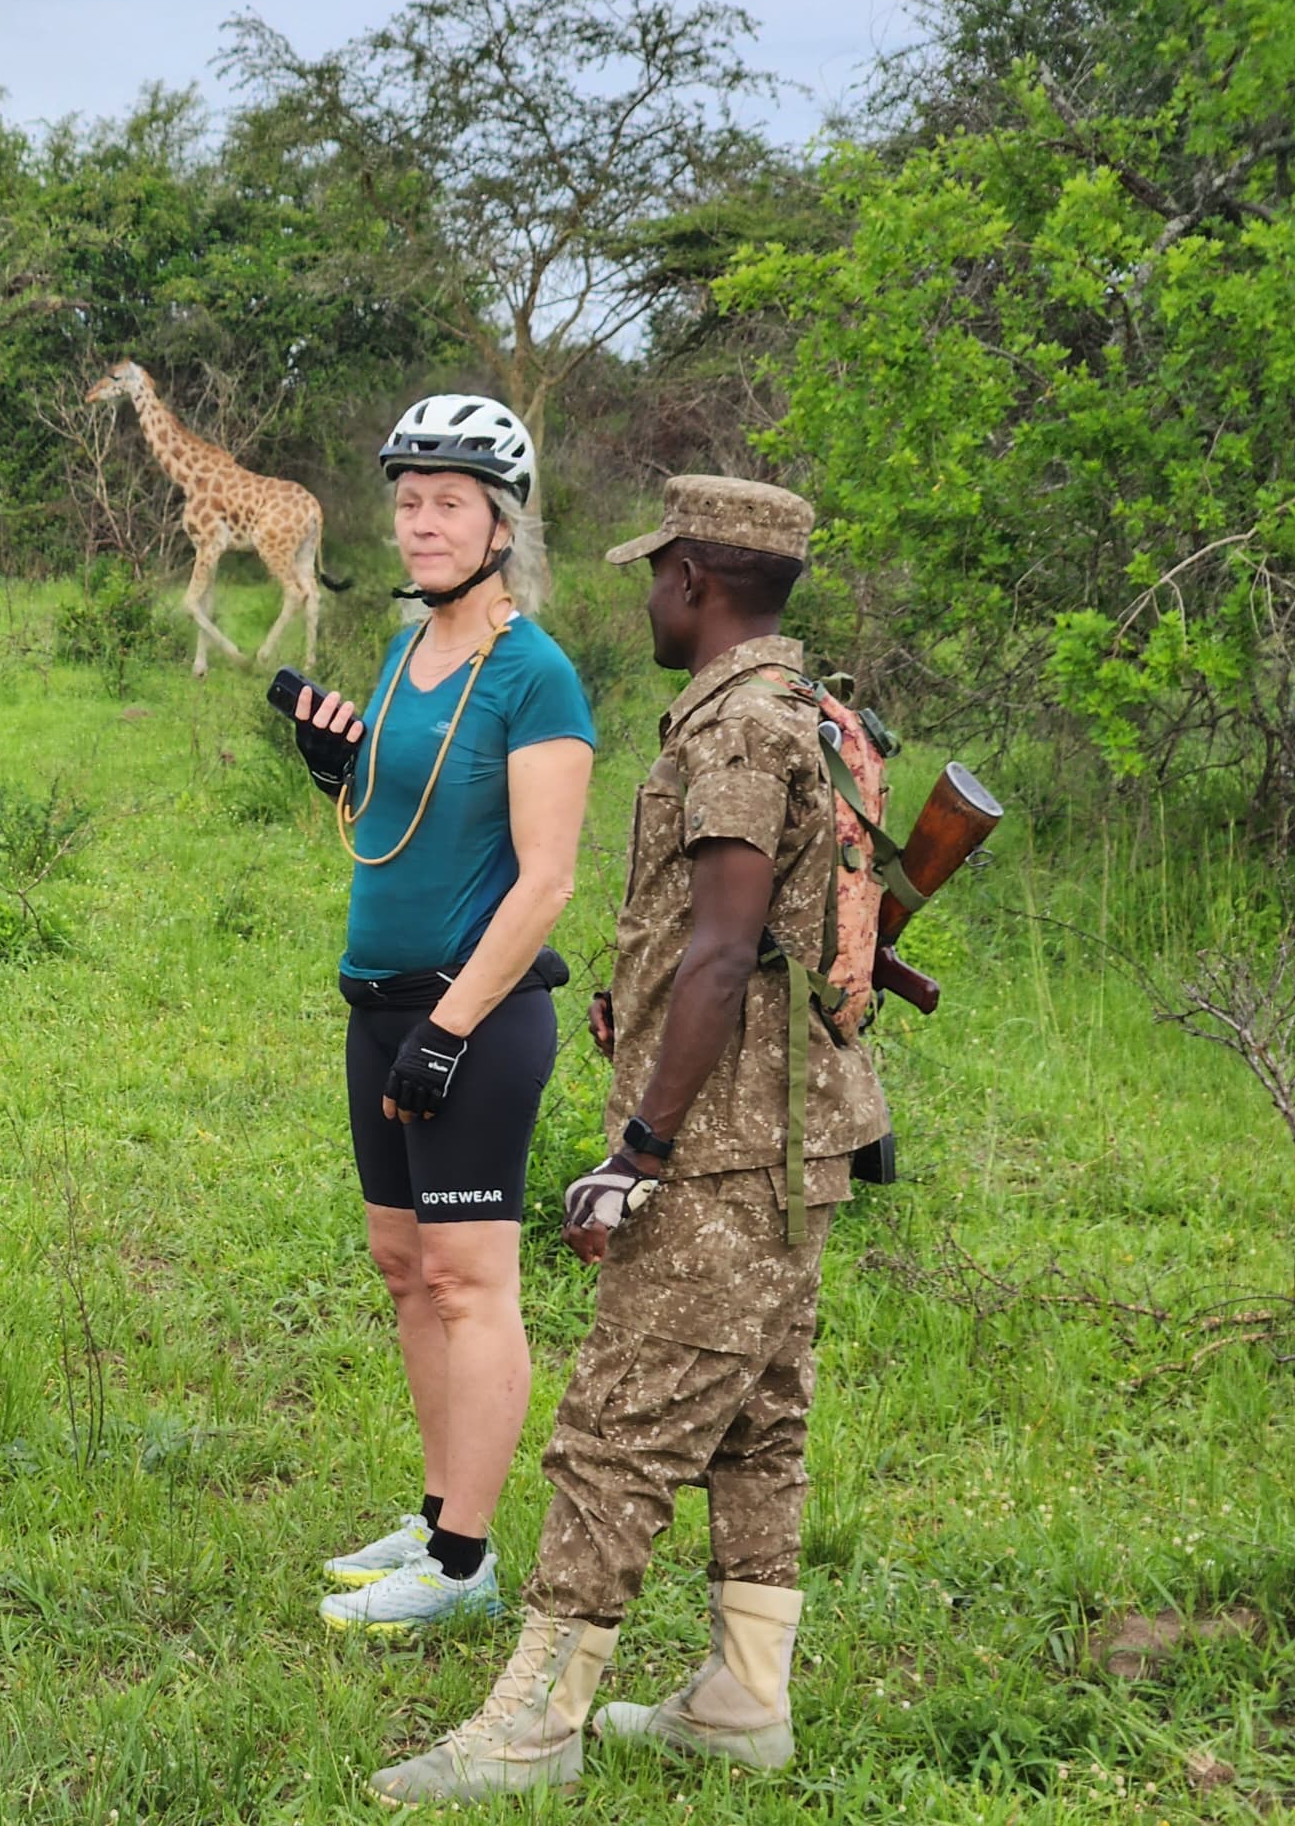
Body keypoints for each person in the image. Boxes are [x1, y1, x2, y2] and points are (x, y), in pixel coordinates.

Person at [366, 475, 890, 1806]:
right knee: (758, 1422)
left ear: (701, 583)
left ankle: (535, 1722)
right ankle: (742, 1697)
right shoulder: (791, 710)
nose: (647, 594)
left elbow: (722, 949)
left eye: (661, 574)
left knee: (618, 1430)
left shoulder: (734, 731)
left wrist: (640, 1150)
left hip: (719, 1149)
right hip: (798, 1136)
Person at [291, 394, 596, 1635]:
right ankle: (432, 1519)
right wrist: (339, 768)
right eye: (408, 501)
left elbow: (547, 878)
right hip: (380, 1002)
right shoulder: (407, 647)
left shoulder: (533, 671)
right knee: (405, 1269)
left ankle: (465, 1566)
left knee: (471, 1281)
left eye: (448, 505)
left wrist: (450, 1027)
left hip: (470, 1017)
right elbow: (399, 815)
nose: (420, 525)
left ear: (500, 524)